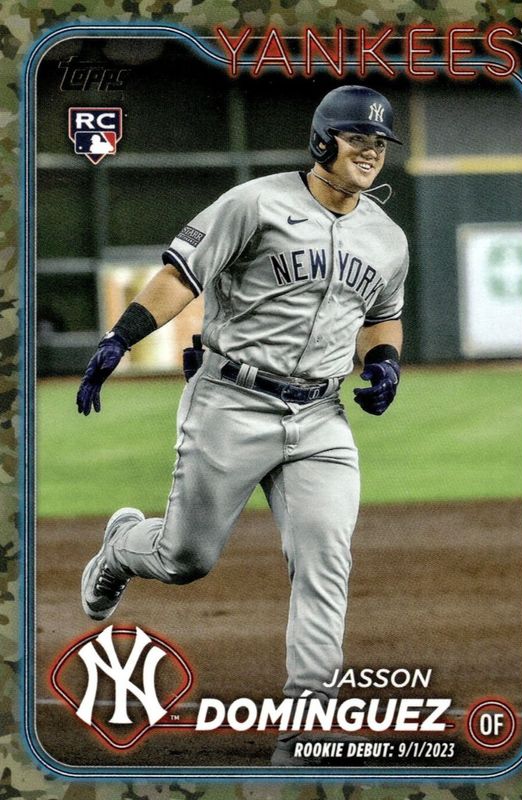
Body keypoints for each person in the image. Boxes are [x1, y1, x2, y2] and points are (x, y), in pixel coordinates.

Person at [77, 85, 409, 766]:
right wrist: (120, 337)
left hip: (321, 417)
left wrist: (385, 364)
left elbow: (382, 317)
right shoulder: (255, 203)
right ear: (323, 141)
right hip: (231, 402)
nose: (371, 152)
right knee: (185, 559)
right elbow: (182, 275)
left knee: (324, 560)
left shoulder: (387, 237)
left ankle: (306, 721)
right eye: (358, 139)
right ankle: (120, 548)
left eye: (379, 143)